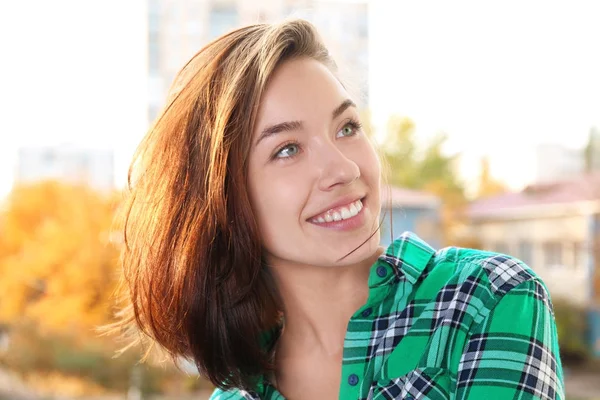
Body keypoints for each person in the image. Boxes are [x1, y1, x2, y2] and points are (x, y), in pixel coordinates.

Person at [115, 19, 565, 399]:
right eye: (288, 149)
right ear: (226, 201)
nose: (343, 167)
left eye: (347, 127)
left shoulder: (487, 299)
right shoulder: (236, 394)